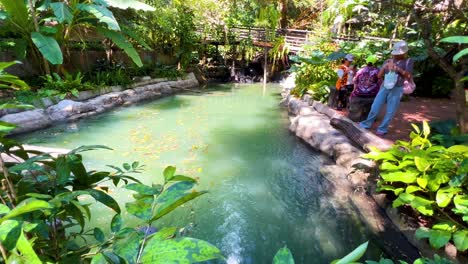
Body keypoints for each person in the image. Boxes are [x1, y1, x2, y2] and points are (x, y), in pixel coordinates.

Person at [359, 41, 414, 135]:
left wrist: (398, 69)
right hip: (384, 87)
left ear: (404, 53)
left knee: (391, 110)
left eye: (399, 53)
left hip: (397, 88)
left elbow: (408, 75)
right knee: (375, 106)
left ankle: (383, 128)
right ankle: (366, 124)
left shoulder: (409, 61)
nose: (396, 55)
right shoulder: (387, 61)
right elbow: (379, 76)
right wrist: (384, 67)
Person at [348, 55, 380, 122]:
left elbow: (355, 81)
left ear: (367, 62)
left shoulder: (360, 70)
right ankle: (369, 116)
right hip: (372, 94)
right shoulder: (377, 71)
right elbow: (379, 82)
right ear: (375, 63)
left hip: (359, 93)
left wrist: (354, 91)